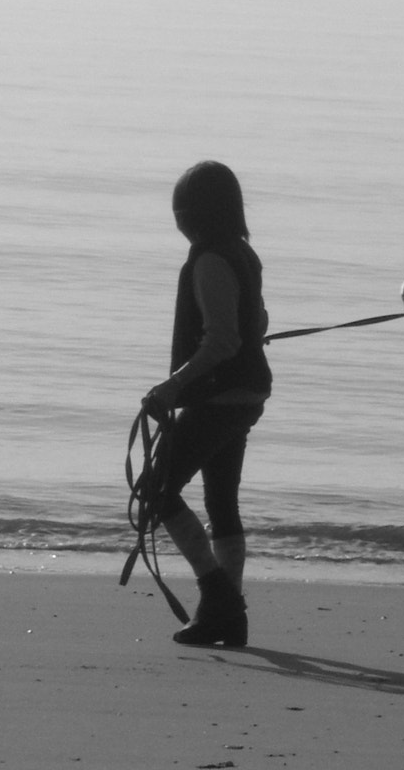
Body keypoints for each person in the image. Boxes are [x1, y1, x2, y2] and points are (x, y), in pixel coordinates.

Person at [140, 160, 272, 647]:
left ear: (194, 215)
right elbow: (253, 322)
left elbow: (219, 342)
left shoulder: (210, 261)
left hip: (220, 397)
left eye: (180, 212)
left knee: (156, 492)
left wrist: (171, 387)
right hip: (247, 394)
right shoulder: (242, 253)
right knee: (221, 502)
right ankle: (228, 618)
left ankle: (218, 597)